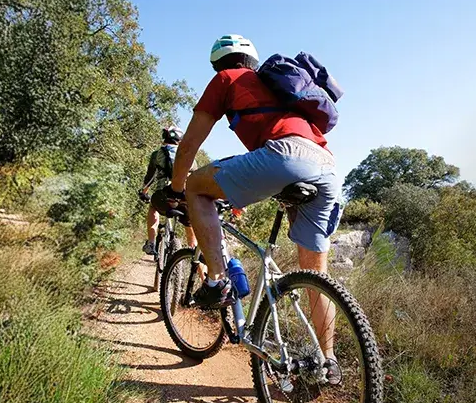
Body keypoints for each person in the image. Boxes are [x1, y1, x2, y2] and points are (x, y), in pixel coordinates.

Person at [169, 34, 341, 381]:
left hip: (284, 158)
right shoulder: (275, 86)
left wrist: (176, 190)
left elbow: (187, 147)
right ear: (253, 60)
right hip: (327, 167)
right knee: (316, 278)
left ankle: (218, 282)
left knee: (196, 187)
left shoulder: (225, 79)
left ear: (219, 63)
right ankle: (327, 362)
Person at [139, 126, 197, 255]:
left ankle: (151, 243)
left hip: (165, 196)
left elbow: (150, 177)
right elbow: (194, 175)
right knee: (189, 226)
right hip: (185, 196)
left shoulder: (158, 154)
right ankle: (196, 259)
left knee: (153, 207)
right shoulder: (189, 154)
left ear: (165, 139)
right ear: (180, 140)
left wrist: (144, 192)